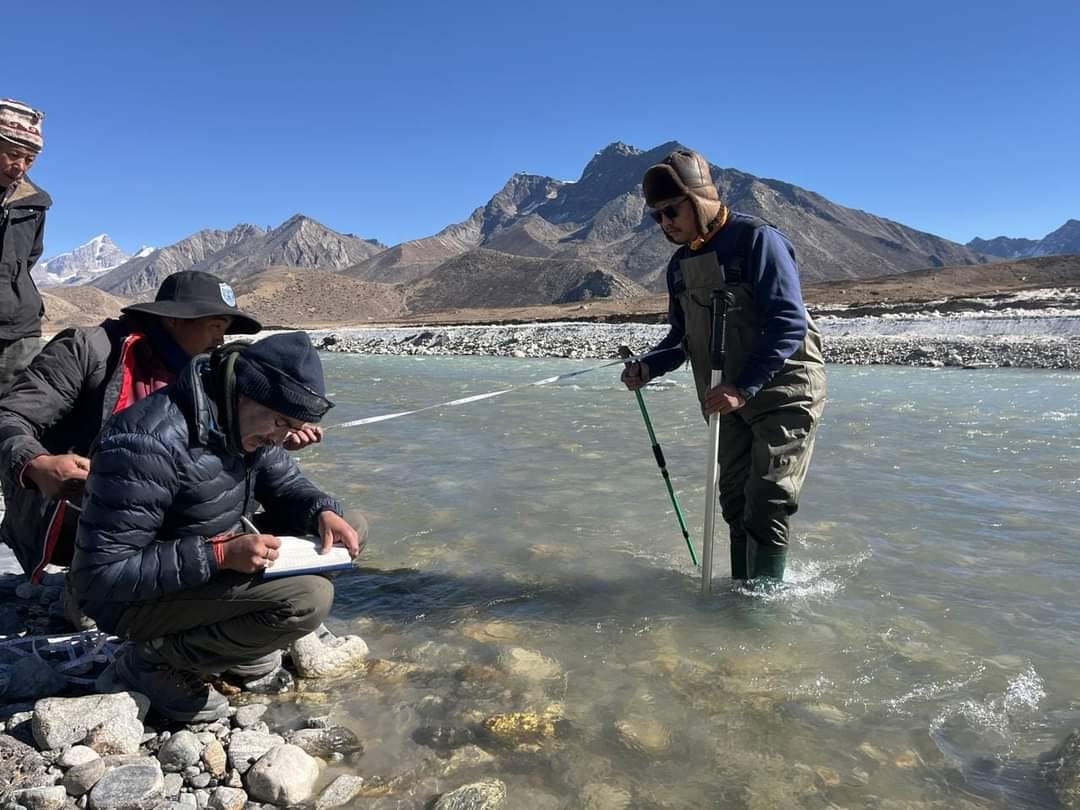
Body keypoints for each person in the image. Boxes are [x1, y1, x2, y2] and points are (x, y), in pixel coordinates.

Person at [71, 331, 363, 722]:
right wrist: (220, 555)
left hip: (205, 555)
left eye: (292, 426)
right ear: (245, 391)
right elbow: (100, 576)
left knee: (348, 528)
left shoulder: (241, 421)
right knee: (308, 598)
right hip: (132, 600)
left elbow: (286, 485)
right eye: (280, 422)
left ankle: (235, 640)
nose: (282, 438)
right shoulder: (146, 443)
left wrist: (320, 510)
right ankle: (155, 660)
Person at [0, 270, 282, 593]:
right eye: (216, 326)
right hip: (78, 519)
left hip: (163, 517)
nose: (221, 341)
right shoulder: (89, 350)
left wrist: (272, 434)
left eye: (226, 330)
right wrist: (36, 464)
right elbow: (9, 416)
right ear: (174, 319)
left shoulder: (209, 374)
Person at [622, 148, 826, 582]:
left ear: (699, 200)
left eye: (672, 211)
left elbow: (788, 323)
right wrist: (647, 368)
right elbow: (681, 339)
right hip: (724, 398)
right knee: (734, 501)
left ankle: (762, 608)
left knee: (768, 498)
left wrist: (742, 387)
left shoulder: (757, 240)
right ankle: (740, 595)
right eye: (657, 216)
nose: (665, 223)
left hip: (783, 391)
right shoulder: (679, 266)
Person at [0, 99, 50, 394]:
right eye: (14, 154)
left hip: (20, 330)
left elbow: (30, 256)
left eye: (29, 159)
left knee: (16, 409)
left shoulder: (35, 202)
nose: (20, 166)